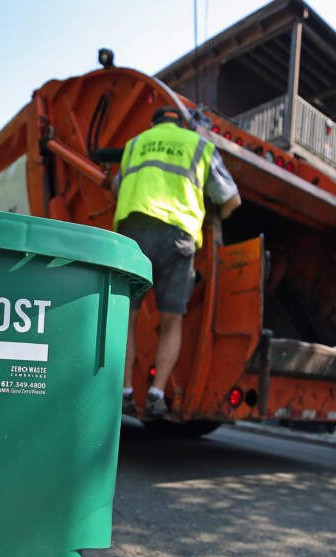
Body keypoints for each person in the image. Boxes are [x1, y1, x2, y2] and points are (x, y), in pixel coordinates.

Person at [114, 106, 241, 417]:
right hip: (178, 236)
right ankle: (156, 395)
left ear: (153, 124)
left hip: (134, 233)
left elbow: (118, 189)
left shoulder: (134, 144)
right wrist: (212, 219)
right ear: (182, 124)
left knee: (126, 318)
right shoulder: (199, 145)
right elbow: (232, 200)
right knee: (173, 320)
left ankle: (125, 392)